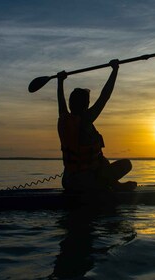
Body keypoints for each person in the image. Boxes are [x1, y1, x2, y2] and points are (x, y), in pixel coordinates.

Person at [56, 59, 137, 192]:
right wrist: (115, 70)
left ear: (71, 104)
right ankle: (113, 187)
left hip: (68, 181)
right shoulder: (86, 120)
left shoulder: (64, 118)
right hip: (86, 183)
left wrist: (60, 81)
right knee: (126, 164)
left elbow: (60, 100)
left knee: (101, 160)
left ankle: (116, 185)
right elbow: (105, 96)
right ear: (86, 104)